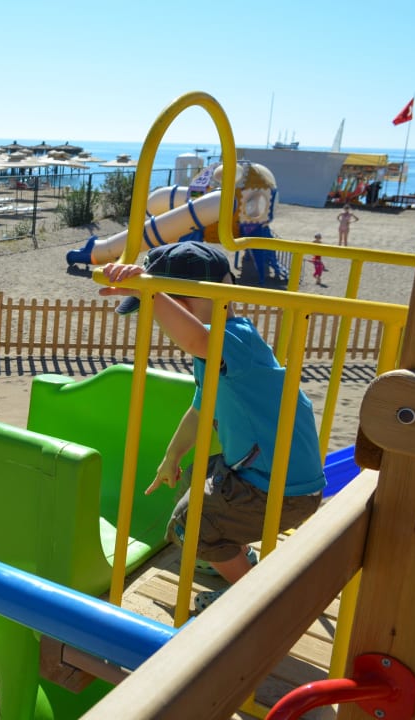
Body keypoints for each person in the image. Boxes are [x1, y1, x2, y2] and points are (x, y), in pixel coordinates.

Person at [97, 242, 325, 613]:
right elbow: (201, 409)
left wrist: (150, 292)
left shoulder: (232, 339)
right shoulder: (221, 349)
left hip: (280, 493)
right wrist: (172, 455)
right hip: (268, 477)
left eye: (160, 309)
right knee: (197, 472)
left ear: (183, 307)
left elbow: (195, 337)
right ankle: (235, 554)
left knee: (187, 528)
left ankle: (253, 593)